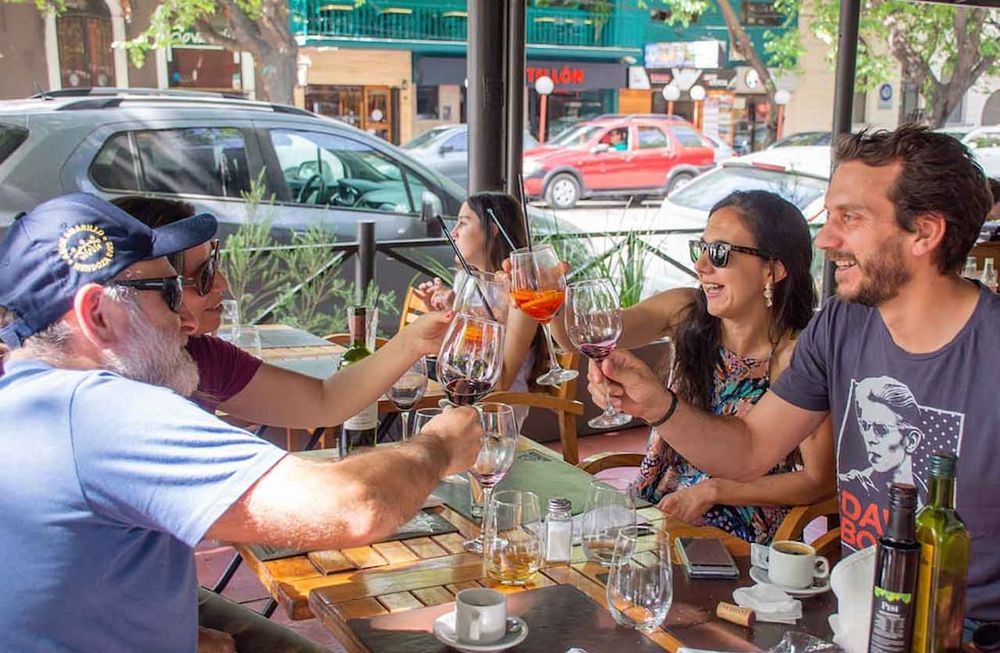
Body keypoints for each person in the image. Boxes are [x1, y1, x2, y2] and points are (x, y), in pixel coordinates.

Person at [0, 193, 483, 652]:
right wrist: (438, 446)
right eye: (171, 292)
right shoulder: (103, 411)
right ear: (97, 317)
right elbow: (353, 508)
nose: (185, 320)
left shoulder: (29, 394)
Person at [587, 125, 1000, 631]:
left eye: (851, 218)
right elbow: (751, 447)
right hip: (859, 615)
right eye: (830, 218)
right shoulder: (840, 326)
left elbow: (812, 478)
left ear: (925, 233)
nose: (826, 239)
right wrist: (658, 406)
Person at [554, 190, 835, 543]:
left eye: (718, 253)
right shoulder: (686, 312)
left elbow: (817, 480)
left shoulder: (798, 358)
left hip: (737, 534)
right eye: (699, 249)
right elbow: (585, 334)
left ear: (773, 269)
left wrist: (715, 491)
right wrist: (550, 299)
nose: (701, 266)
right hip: (654, 510)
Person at [110, 196, 453, 422]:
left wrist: (413, 342)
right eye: (202, 276)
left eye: (214, 265)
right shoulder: (103, 395)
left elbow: (325, 400)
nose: (222, 284)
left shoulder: (199, 356)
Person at [414, 192, 543, 401]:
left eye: (463, 223)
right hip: (461, 392)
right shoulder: (465, 280)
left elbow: (500, 382)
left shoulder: (520, 292)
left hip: (498, 406)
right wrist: (444, 314)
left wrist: (464, 321)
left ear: (492, 230)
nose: (454, 233)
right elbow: (457, 356)